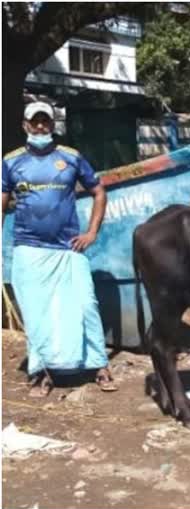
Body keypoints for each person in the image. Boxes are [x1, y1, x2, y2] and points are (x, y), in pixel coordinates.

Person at [2, 101, 116, 397]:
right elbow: (2, 202)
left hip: (68, 248)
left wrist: (91, 232)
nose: (40, 127)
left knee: (86, 304)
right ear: (25, 125)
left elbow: (99, 191)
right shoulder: (11, 161)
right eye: (34, 121)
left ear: (53, 125)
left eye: (45, 122)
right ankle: (41, 371)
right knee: (36, 312)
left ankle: (98, 365)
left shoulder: (71, 157)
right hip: (29, 249)